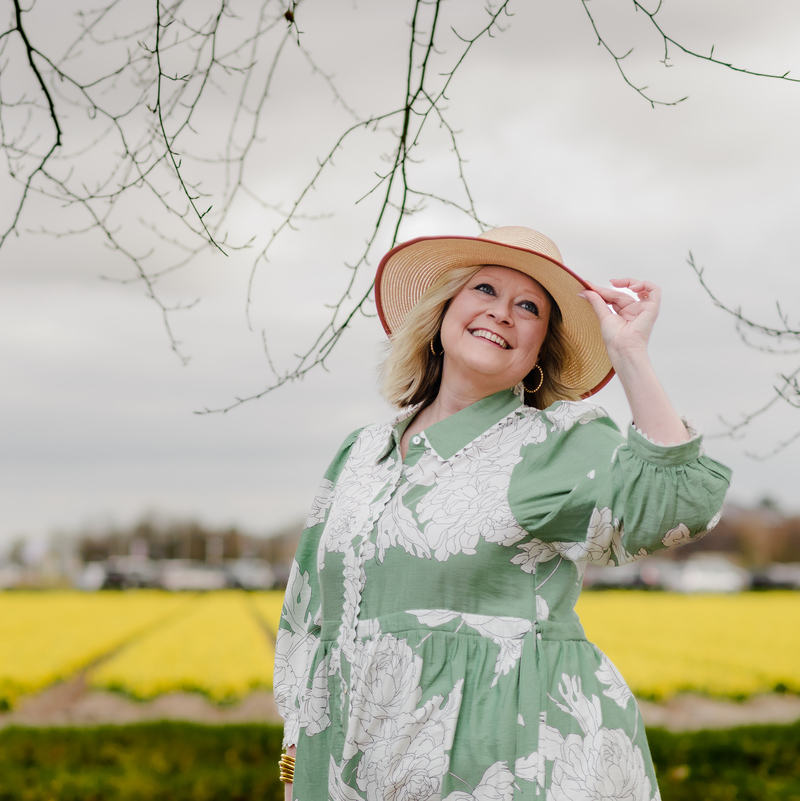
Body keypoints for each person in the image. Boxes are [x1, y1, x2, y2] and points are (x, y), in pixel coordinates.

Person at [272, 226, 731, 801]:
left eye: (528, 306)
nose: (503, 313)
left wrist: (631, 354)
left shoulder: (552, 445)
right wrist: (296, 760)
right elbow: (306, 614)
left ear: (541, 347)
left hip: (500, 760)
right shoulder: (361, 450)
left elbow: (678, 502)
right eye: (485, 290)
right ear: (444, 311)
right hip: (346, 764)